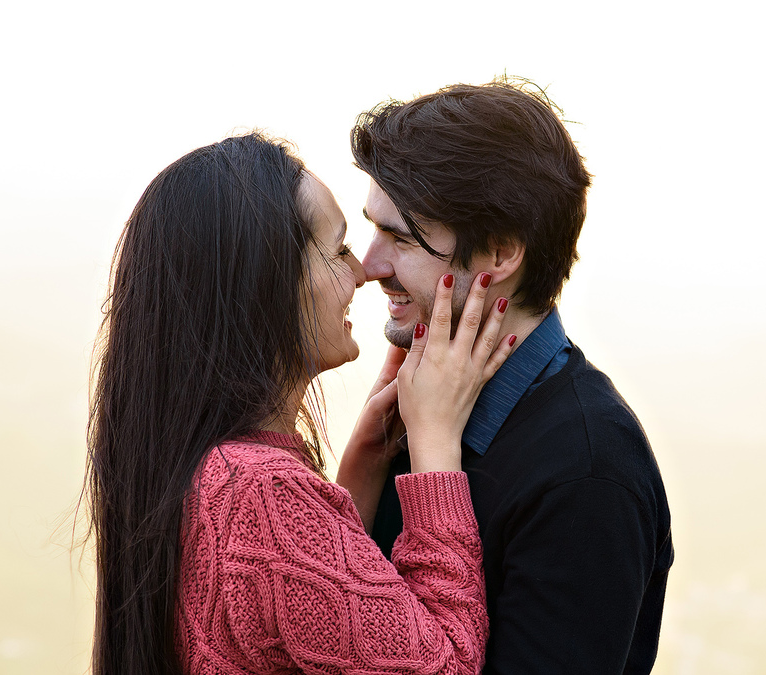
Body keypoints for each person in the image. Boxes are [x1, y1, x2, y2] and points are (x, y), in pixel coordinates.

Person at [81, 132, 517, 675]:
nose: (362, 272)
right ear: (266, 285)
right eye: (338, 250)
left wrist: (362, 460)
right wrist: (435, 442)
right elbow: (444, 665)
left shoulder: (202, 468)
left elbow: (301, 616)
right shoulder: (261, 493)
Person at [345, 78, 674, 674]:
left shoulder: (588, 469)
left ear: (499, 254)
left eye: (400, 237)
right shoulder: (419, 413)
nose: (371, 267)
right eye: (373, 229)